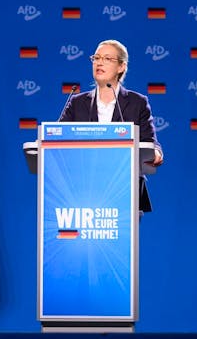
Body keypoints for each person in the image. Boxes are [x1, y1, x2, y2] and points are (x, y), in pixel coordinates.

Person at [59, 39, 163, 211]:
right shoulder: (77, 103)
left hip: (126, 191)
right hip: (83, 192)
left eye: (107, 59)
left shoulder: (138, 103)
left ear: (121, 67)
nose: (99, 62)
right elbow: (58, 139)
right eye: (96, 58)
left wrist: (156, 152)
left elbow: (150, 141)